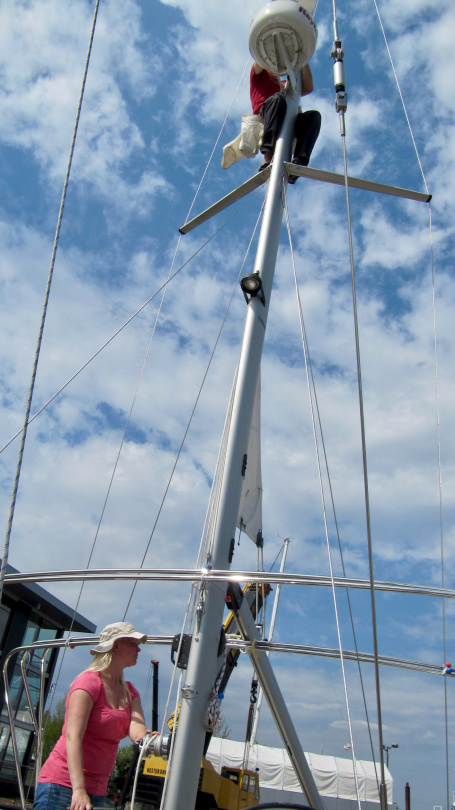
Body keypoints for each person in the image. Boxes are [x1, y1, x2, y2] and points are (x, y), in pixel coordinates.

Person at [34, 622, 150, 810]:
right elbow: (73, 736)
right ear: (116, 646)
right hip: (62, 786)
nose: (139, 649)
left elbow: (137, 731)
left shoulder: (130, 692)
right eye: (133, 643)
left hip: (97, 790)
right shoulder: (88, 683)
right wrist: (79, 790)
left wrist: (152, 740)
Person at [250, 62, 321, 182]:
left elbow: (308, 87)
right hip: (268, 113)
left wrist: (302, 59)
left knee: (313, 116)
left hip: (288, 117)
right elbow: (259, 61)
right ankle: (268, 158)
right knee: (278, 99)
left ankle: (298, 162)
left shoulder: (286, 85)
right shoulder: (259, 74)